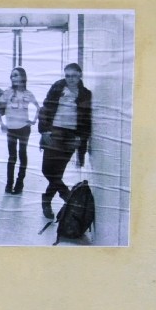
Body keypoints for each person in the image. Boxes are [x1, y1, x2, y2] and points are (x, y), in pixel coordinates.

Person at [38, 62, 93, 220]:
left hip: (71, 135)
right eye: (68, 76)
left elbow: (86, 118)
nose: (70, 79)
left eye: (74, 76)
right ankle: (66, 195)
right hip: (54, 132)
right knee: (47, 170)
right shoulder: (57, 87)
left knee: (57, 172)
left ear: (80, 76)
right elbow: (45, 108)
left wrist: (80, 138)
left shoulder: (85, 94)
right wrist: (45, 130)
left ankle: (46, 200)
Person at [0, 67, 40, 195]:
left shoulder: (28, 93)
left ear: (22, 77)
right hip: (11, 129)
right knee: (12, 157)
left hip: (24, 128)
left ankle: (19, 183)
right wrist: (2, 124)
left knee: (22, 154)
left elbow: (38, 107)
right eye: (12, 76)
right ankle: (9, 183)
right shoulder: (7, 92)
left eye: (16, 75)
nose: (13, 78)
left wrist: (33, 121)